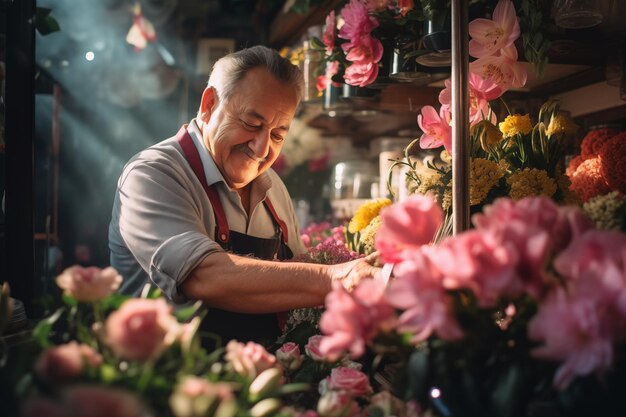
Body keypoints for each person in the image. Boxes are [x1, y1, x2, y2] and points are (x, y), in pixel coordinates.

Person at [109, 45, 381, 346]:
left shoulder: (274, 187)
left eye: (278, 134)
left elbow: (294, 287)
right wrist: (337, 277)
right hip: (168, 380)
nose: (262, 148)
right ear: (210, 104)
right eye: (252, 124)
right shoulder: (153, 175)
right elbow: (203, 277)